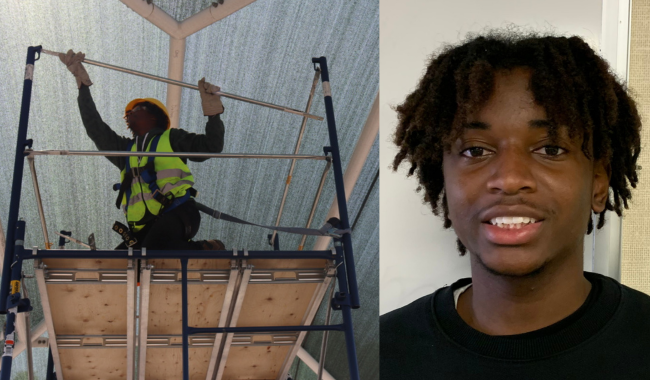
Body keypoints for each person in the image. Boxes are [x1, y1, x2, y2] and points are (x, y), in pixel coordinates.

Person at [380, 32, 650, 379]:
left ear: (598, 182)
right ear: (444, 183)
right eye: (475, 150)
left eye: (550, 149)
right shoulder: (386, 353)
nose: (509, 179)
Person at [59, 49, 225, 251]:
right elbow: (95, 129)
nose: (129, 116)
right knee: (114, 265)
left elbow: (211, 147)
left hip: (178, 213)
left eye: (135, 111)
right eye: (128, 114)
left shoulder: (171, 139)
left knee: (151, 252)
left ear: (154, 116)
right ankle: (191, 248)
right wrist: (83, 86)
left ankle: (205, 249)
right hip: (143, 231)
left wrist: (213, 114)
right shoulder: (124, 152)